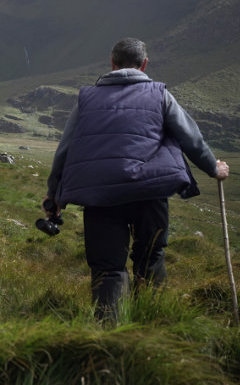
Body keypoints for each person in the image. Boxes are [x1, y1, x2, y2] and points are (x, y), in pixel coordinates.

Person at [44, 37, 230, 322]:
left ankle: (110, 337)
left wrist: (54, 198)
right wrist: (213, 169)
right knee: (151, 257)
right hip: (149, 190)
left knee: (107, 268)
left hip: (100, 194)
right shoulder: (159, 94)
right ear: (144, 64)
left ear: (112, 63)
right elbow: (190, 138)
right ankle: (152, 325)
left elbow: (65, 151)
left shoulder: (87, 99)